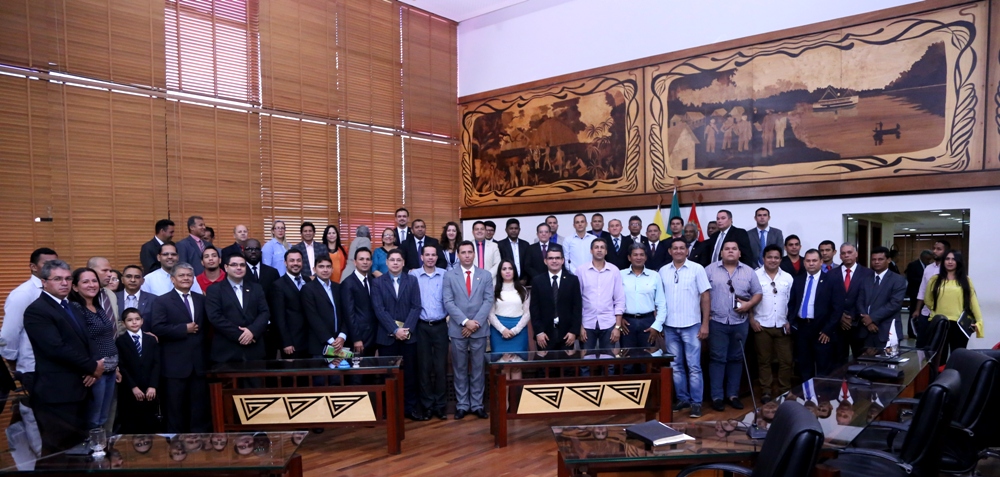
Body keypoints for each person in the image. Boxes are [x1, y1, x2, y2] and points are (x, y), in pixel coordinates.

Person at [23, 260, 104, 455]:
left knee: (80, 450)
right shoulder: (38, 310)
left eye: (68, 278)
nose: (64, 283)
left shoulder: (73, 307)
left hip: (81, 388)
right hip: (56, 393)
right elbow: (55, 348)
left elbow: (87, 340)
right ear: (44, 282)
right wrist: (92, 366)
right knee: (57, 453)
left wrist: (92, 368)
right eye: (58, 279)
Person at [149, 263, 210, 433]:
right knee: (175, 409)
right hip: (174, 366)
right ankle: (176, 447)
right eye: (181, 275)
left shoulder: (201, 299)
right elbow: (158, 328)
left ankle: (199, 444)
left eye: (189, 276)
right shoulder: (162, 301)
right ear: (173, 279)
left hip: (198, 365)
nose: (186, 278)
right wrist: (184, 329)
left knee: (199, 409)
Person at [705, 239, 762, 411]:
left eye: (734, 249)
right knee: (717, 359)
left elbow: (758, 293)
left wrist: (748, 305)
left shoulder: (749, 271)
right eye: (727, 249)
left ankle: (733, 395)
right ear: (721, 253)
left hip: (740, 322)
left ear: (739, 253)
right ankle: (717, 397)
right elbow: (702, 295)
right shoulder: (710, 270)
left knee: (737, 359)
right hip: (716, 321)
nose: (730, 251)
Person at [659, 238, 711, 417]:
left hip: (692, 325)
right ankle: (683, 399)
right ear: (670, 251)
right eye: (675, 248)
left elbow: (705, 296)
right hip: (670, 326)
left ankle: (696, 402)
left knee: (694, 366)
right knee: (676, 365)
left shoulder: (697, 269)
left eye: (682, 248)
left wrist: (705, 324)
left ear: (687, 251)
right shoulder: (663, 271)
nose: (679, 251)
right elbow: (659, 299)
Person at [443, 241, 493, 419]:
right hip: (458, 330)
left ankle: (477, 404)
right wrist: (465, 322)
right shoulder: (450, 276)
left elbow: (488, 301)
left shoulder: (485, 275)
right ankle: (462, 405)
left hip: (479, 330)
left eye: (469, 252)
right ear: (458, 255)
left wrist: (475, 323)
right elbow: (448, 302)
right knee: (460, 368)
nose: (466, 255)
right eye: (463, 252)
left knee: (479, 369)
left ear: (474, 254)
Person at [372, 249, 422, 419]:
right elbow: (379, 309)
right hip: (386, 337)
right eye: (392, 260)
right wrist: (394, 330)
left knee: (410, 375)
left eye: (398, 260)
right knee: (389, 375)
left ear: (403, 263)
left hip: (408, 337)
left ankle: (410, 408)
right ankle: (390, 409)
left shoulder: (412, 281)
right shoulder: (378, 282)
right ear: (386, 263)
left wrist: (405, 331)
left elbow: (416, 307)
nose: (395, 263)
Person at [69, 267, 118, 431]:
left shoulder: (98, 306)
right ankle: (91, 453)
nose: (92, 285)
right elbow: (78, 342)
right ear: (75, 287)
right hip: (95, 372)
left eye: (94, 281)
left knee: (104, 418)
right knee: (93, 420)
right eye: (85, 281)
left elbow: (107, 337)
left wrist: (115, 366)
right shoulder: (75, 309)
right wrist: (90, 368)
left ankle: (101, 451)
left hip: (111, 369)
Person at [205, 254, 270, 366]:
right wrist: (241, 335)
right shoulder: (214, 290)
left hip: (254, 350)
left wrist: (252, 332)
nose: (239, 268)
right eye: (234, 265)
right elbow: (215, 317)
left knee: (256, 383)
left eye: (242, 265)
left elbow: (264, 312)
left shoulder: (256, 288)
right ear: (226, 267)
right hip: (226, 350)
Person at [787, 249, 843, 380]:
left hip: (822, 330)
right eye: (808, 261)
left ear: (821, 262)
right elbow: (792, 303)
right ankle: (807, 396)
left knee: (824, 367)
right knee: (804, 366)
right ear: (804, 262)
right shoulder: (798, 280)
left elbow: (837, 308)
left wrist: (828, 330)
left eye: (814, 260)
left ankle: (822, 397)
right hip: (802, 329)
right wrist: (792, 321)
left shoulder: (831, 280)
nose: (811, 263)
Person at [750, 245, 794, 403]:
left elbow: (793, 302)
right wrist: (751, 320)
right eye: (769, 257)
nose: (773, 260)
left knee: (786, 361)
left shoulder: (788, 278)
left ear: (780, 259)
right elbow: (748, 300)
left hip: (783, 325)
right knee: (764, 361)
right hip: (761, 325)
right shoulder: (754, 276)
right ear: (763, 258)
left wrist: (791, 321)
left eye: (776, 257)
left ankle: (785, 390)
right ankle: (766, 391)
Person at [410, 245, 448, 420]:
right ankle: (427, 406)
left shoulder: (445, 274)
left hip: (441, 325)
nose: (431, 258)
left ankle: (440, 406)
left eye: (434, 255)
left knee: (440, 368)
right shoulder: (413, 275)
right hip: (421, 326)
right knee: (424, 368)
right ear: (422, 257)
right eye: (427, 255)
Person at [924, 250, 983, 362]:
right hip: (939, 323)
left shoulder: (965, 280)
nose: (950, 262)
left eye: (953, 259)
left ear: (958, 262)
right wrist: (939, 308)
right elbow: (928, 300)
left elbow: (973, 301)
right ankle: (938, 379)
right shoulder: (934, 279)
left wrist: (979, 321)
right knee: (938, 358)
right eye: (947, 259)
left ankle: (957, 378)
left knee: (958, 357)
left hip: (959, 324)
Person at [619, 244, 666, 373]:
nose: (638, 257)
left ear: (646, 257)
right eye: (635, 255)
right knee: (627, 362)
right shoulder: (620, 275)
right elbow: (614, 300)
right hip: (627, 323)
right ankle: (629, 392)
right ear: (629, 257)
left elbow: (661, 304)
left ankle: (647, 392)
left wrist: (657, 326)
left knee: (647, 362)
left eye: (641, 255)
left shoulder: (654, 276)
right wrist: (619, 318)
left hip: (648, 323)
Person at [115, 308, 159, 434]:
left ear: (142, 321)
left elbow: (156, 364)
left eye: (137, 319)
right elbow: (122, 366)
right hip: (129, 389)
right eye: (129, 320)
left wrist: (153, 386)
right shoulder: (120, 341)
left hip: (149, 389)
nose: (134, 322)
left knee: (150, 423)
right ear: (124, 323)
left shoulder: (151, 340)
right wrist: (133, 387)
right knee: (131, 424)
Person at [302, 255, 347, 379]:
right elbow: (313, 318)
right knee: (321, 384)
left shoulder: (338, 287)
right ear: (314, 269)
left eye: (328, 267)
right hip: (320, 346)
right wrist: (332, 341)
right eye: (321, 267)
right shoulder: (308, 289)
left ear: (332, 269)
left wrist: (342, 336)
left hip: (340, 344)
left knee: (339, 384)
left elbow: (345, 314)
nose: (325, 270)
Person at [529, 245, 581, 351]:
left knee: (567, 367)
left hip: (567, 335)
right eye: (551, 258)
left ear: (563, 260)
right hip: (544, 335)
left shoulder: (573, 280)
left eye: (557, 258)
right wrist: (539, 332)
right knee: (545, 366)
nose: (554, 261)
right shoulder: (537, 281)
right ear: (545, 261)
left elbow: (577, 308)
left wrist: (573, 331)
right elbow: (534, 309)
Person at [855, 246, 907, 352]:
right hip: (866, 331)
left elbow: (894, 304)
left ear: (888, 260)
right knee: (865, 365)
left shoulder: (898, 280)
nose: (876, 262)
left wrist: (872, 319)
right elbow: (860, 301)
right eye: (874, 259)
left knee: (888, 365)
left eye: (880, 259)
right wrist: (867, 322)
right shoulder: (865, 279)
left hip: (887, 331)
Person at [827, 243, 873, 362]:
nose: (846, 255)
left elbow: (868, 298)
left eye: (849, 252)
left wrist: (852, 316)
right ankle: (841, 381)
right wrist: (840, 316)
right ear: (840, 256)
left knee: (860, 360)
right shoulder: (831, 274)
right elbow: (827, 298)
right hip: (838, 325)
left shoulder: (868, 273)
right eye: (843, 253)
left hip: (859, 324)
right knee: (838, 361)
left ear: (856, 254)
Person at [578, 240, 624, 353]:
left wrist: (617, 327)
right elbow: (576, 301)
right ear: (591, 250)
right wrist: (579, 326)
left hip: (608, 323)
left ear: (606, 251)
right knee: (585, 363)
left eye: (602, 247)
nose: (599, 250)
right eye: (596, 247)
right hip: (586, 323)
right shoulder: (581, 271)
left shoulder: (614, 271)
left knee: (609, 363)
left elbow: (619, 300)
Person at [488, 259, 531, 367]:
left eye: (510, 269)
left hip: (519, 331)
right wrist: (503, 330)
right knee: (503, 368)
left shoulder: (523, 290)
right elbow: (490, 314)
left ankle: (517, 385)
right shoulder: (493, 290)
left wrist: (515, 331)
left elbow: (527, 313)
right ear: (500, 272)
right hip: (499, 332)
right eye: (504, 269)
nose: (507, 271)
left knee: (517, 367)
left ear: (514, 271)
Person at [270, 249, 309, 359]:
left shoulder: (308, 281)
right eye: (292, 260)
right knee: (293, 374)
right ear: (285, 263)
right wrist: (286, 342)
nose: (295, 263)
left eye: (298, 260)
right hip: (292, 342)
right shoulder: (278, 285)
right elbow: (279, 317)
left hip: (310, 340)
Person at [342, 248, 377, 360]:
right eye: (361, 259)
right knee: (357, 374)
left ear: (371, 262)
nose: (365, 262)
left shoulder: (373, 280)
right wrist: (356, 338)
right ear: (355, 262)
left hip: (373, 335)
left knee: (370, 372)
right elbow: (349, 313)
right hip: (358, 337)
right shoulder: (348, 283)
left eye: (367, 259)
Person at [913, 239, 950, 339]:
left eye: (939, 249)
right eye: (934, 248)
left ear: (946, 251)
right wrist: (917, 310)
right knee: (922, 341)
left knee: (939, 342)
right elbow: (922, 289)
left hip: (943, 313)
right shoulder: (928, 268)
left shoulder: (949, 269)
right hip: (926, 312)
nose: (934, 251)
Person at [904, 250, 934, 338]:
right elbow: (911, 278)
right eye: (927, 259)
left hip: (927, 294)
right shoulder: (913, 265)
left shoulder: (929, 266)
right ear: (922, 257)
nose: (929, 261)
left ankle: (922, 331)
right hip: (915, 293)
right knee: (914, 312)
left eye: (930, 259)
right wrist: (925, 281)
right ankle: (911, 332)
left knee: (924, 313)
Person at [116, 265, 154, 331]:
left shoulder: (153, 299)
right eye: (128, 276)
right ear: (122, 280)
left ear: (143, 281)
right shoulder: (113, 298)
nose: (133, 280)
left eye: (137, 277)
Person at [497, 218, 530, 283]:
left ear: (519, 230)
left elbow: (528, 264)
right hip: (506, 282)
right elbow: (499, 265)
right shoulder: (500, 245)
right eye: (511, 228)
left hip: (524, 282)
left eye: (516, 228)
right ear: (506, 230)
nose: (514, 230)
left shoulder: (526, 244)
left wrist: (525, 279)